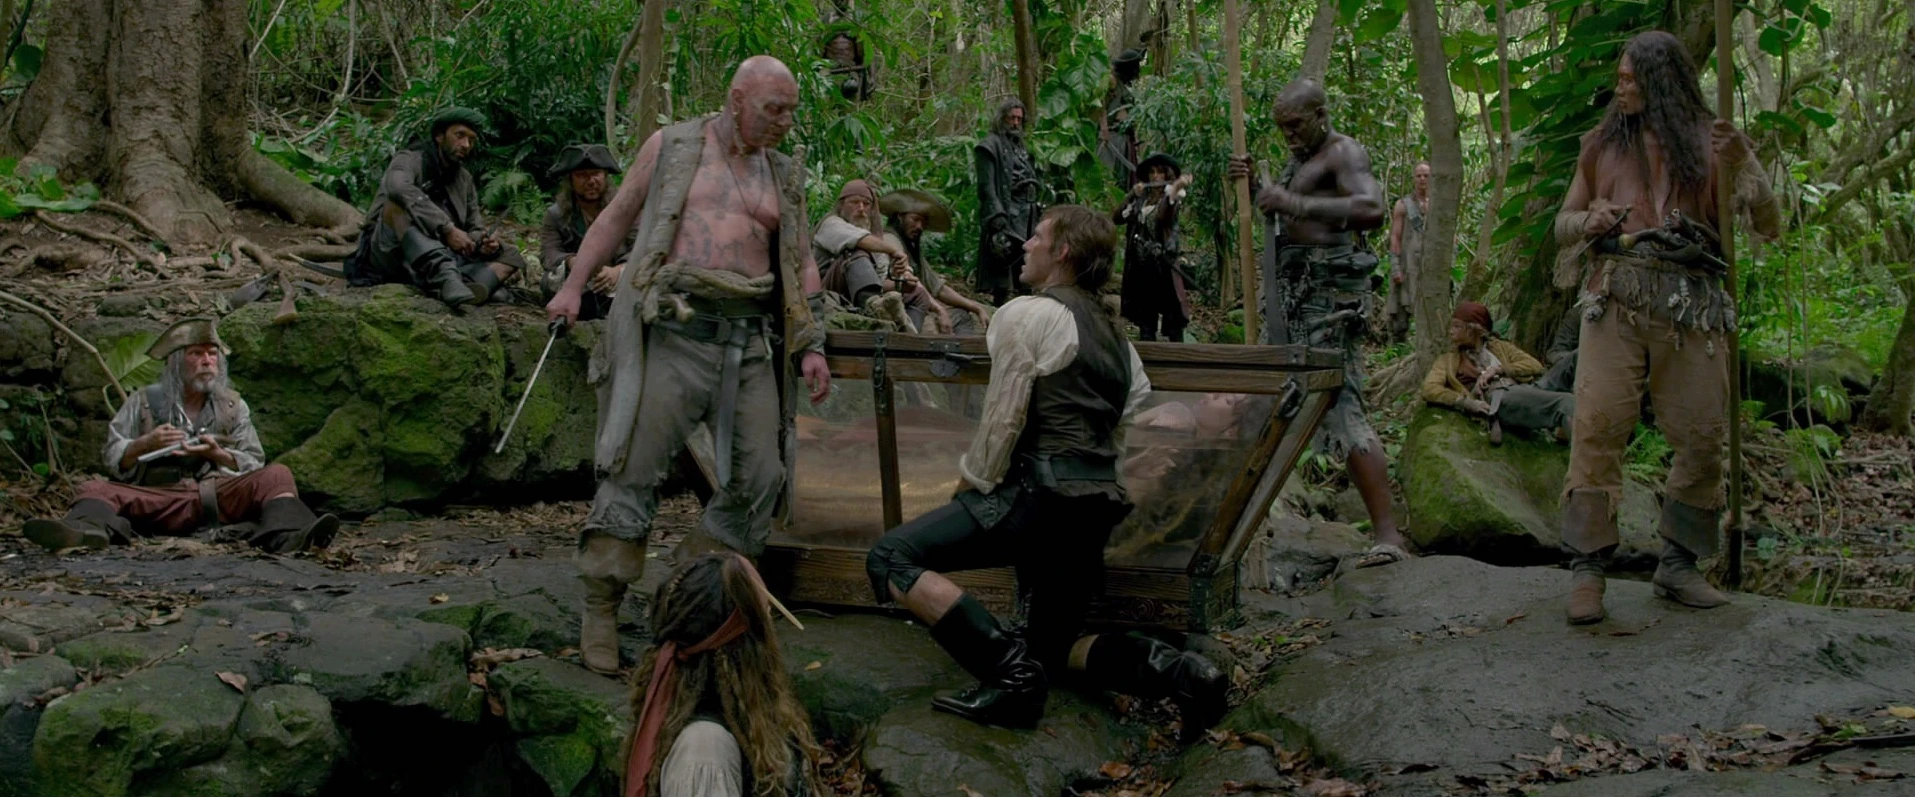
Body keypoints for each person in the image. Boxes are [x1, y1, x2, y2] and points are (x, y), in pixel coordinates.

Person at [863, 205, 1227, 735]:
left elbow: (1003, 417)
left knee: (890, 557)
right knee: (1051, 651)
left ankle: (1011, 679)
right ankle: (1186, 675)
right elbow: (1123, 422)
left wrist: (972, 488)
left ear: (1063, 251)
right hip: (1095, 506)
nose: (1026, 245)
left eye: (1037, 236)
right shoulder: (1118, 339)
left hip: (1036, 498)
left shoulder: (1028, 313)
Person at [545, 56, 832, 675]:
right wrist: (572, 286)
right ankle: (601, 605)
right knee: (632, 469)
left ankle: (687, 586)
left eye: (791, 111)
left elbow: (800, 262)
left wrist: (811, 342)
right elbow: (616, 217)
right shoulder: (674, 147)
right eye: (773, 109)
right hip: (673, 330)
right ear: (737, 99)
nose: (784, 122)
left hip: (748, 341)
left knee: (763, 478)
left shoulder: (782, 173)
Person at [1552, 30, 1781, 626]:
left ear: (1662, 82)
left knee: (1702, 432)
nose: (1620, 88)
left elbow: (1769, 222)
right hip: (1616, 299)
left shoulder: (1713, 145)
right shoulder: (1600, 145)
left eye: (1630, 78)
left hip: (1692, 304)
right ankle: (1587, 569)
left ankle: (1679, 564)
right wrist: (1589, 221)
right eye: (1619, 77)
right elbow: (1563, 222)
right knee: (1597, 424)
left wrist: (1745, 161)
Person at [1227, 78, 1409, 568]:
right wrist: (1259, 184)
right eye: (1281, 128)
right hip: (1296, 298)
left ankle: (1388, 536)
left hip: (1328, 301)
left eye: (1295, 125)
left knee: (1342, 402)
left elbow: (1370, 208)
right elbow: (1289, 213)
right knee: (1279, 398)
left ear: (1321, 115)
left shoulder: (1343, 152)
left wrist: (1293, 202)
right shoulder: (1302, 159)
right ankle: (1246, 524)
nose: (1288, 135)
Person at [21, 319, 339, 553]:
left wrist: (217, 454)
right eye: (196, 354)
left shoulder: (233, 405)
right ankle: (84, 532)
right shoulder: (143, 402)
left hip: (217, 496)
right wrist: (144, 444)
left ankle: (291, 535)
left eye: (212, 354)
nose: (207, 361)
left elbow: (254, 460)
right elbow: (112, 456)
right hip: (158, 498)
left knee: (278, 475)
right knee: (93, 488)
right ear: (175, 363)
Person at [623, 553, 822, 797]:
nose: (771, 625)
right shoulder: (704, 752)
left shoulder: (748, 714)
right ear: (744, 644)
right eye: (766, 615)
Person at [345, 107, 528, 307]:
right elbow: (397, 187)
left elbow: (474, 226)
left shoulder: (464, 179)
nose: (466, 145)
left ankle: (461, 285)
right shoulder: (409, 159)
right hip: (391, 252)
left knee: (511, 255)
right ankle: (453, 280)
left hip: (445, 253)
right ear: (440, 136)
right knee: (396, 205)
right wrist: (447, 229)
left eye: (471, 139)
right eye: (460, 136)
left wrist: (482, 243)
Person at [1420, 302, 1573, 445]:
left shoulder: (1499, 347)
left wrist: (1498, 369)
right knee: (1565, 402)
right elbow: (1429, 388)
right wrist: (1464, 402)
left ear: (1474, 330)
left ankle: (1564, 428)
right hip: (1500, 397)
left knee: (1575, 357)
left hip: (1526, 388)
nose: (1451, 331)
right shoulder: (1448, 360)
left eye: (1457, 326)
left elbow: (1535, 366)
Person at [811, 179, 929, 333]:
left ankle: (908, 336)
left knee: (918, 294)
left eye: (866, 204)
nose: (861, 208)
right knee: (855, 250)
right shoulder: (831, 224)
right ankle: (874, 309)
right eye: (854, 202)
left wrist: (901, 284)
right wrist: (893, 251)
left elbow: (878, 282)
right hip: (827, 296)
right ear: (841, 206)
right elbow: (859, 240)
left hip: (861, 297)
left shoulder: (873, 240)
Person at [540, 143, 636, 322]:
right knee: (551, 279)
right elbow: (548, 252)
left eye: (596, 173)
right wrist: (572, 262)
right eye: (582, 175)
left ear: (605, 176)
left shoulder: (626, 210)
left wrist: (618, 270)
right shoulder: (556, 215)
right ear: (571, 180)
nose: (591, 181)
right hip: (579, 280)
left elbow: (641, 246)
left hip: (617, 277)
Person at [879, 188, 993, 334]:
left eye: (923, 222)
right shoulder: (890, 240)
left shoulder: (911, 248)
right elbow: (912, 282)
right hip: (900, 314)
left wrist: (975, 307)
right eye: (915, 219)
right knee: (956, 319)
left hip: (916, 309)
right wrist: (939, 310)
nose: (919, 226)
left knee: (961, 314)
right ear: (900, 217)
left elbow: (939, 289)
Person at [1113, 152, 1194, 342]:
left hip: (1164, 263)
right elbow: (1117, 218)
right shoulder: (1141, 200)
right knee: (1146, 318)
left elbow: (1164, 215)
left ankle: (1179, 356)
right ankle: (1148, 354)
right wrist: (1132, 195)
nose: (1155, 176)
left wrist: (1177, 187)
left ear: (1167, 174)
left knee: (1173, 317)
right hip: (1142, 266)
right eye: (1152, 172)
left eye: (1160, 172)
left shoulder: (1171, 198)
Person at [975, 99, 1041, 305]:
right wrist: (996, 213)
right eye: (1011, 118)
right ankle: (1000, 305)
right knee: (1002, 260)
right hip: (1007, 209)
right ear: (1002, 118)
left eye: (1019, 119)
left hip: (1027, 211)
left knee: (1025, 262)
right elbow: (986, 186)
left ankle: (1024, 304)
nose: (1015, 123)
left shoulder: (1022, 147)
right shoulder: (989, 145)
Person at [1385, 162, 1432, 342]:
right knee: (1401, 310)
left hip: (1429, 265)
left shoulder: (1438, 204)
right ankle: (1397, 347)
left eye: (1426, 175)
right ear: (1414, 178)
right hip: (1408, 263)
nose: (1422, 179)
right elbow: (1395, 236)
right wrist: (1395, 266)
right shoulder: (1403, 205)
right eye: (1419, 175)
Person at [1099, 48, 1146, 186]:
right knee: (1110, 177)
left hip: (1125, 138)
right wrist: (1104, 128)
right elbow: (1101, 104)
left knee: (1125, 180)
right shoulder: (1112, 80)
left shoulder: (1124, 85)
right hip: (1113, 136)